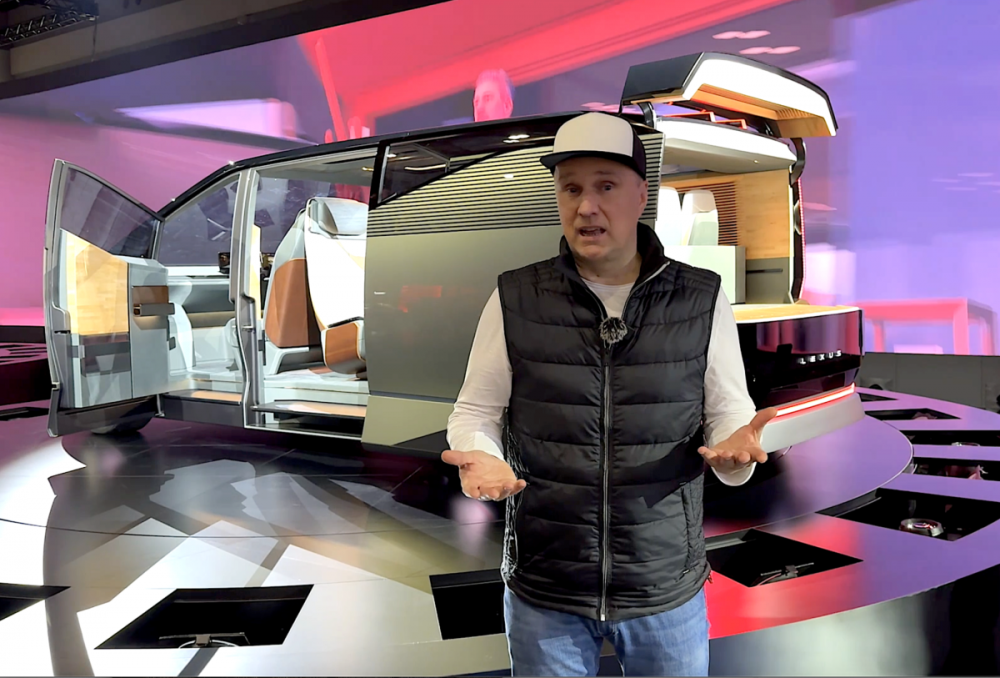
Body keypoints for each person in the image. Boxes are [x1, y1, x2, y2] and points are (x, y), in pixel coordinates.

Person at [442, 111, 776, 677]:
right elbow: (476, 409)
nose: (586, 207)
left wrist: (734, 455)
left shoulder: (700, 297)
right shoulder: (516, 296)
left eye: (605, 186)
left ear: (641, 195)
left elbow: (727, 412)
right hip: (548, 586)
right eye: (571, 189)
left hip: (663, 586)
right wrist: (482, 454)